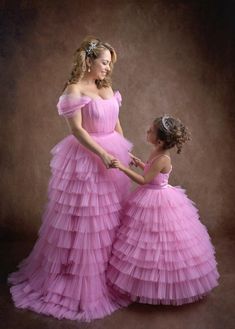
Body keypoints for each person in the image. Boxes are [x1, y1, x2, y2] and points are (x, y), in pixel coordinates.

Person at [8, 36, 132, 321]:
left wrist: (126, 154)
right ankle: (78, 278)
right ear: (89, 61)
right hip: (88, 159)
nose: (107, 69)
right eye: (104, 63)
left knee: (109, 218)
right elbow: (77, 130)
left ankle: (107, 275)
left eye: (110, 64)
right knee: (86, 222)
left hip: (113, 156)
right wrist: (101, 154)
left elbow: (117, 124)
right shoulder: (74, 90)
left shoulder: (107, 87)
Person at [107, 115, 219, 305]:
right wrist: (139, 162)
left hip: (158, 198)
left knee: (160, 242)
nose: (147, 132)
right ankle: (142, 280)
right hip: (149, 195)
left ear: (159, 140)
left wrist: (122, 168)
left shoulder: (163, 158)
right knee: (144, 241)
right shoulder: (156, 152)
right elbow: (150, 171)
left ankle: (162, 285)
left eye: (150, 131)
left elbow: (144, 180)